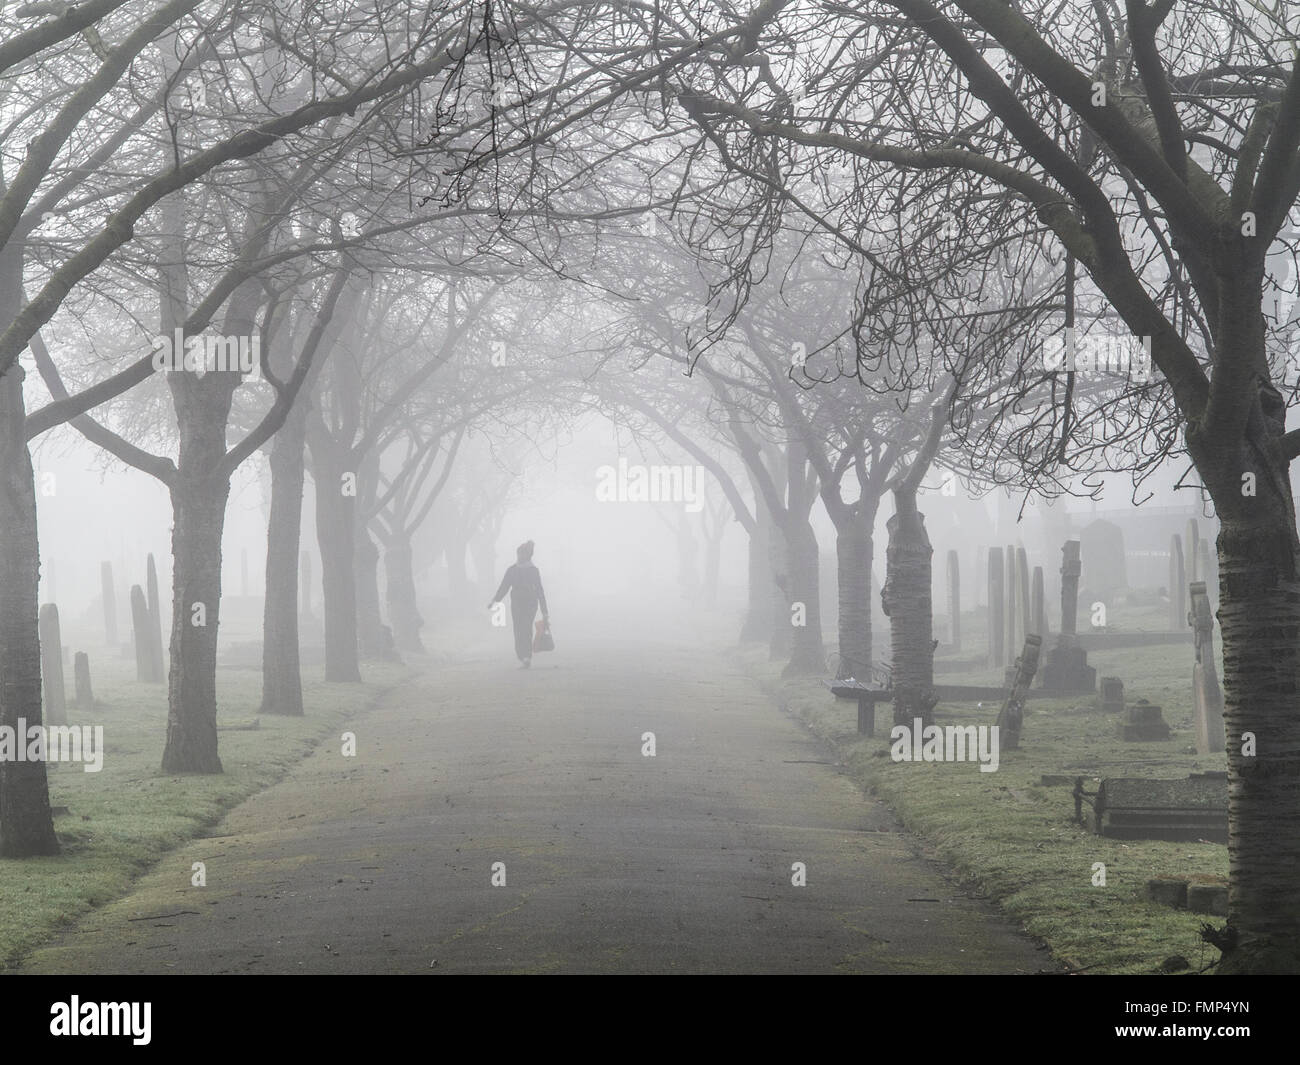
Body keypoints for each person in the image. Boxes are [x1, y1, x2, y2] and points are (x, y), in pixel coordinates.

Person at [489, 540, 549, 668]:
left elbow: (540, 591)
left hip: (531, 604)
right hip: (516, 604)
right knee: (518, 629)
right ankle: (522, 656)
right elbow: (504, 587)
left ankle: (526, 657)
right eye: (518, 554)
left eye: (521, 555)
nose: (519, 557)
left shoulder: (534, 571)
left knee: (526, 628)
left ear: (527, 555)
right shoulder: (512, 570)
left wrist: (545, 611)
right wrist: (495, 601)